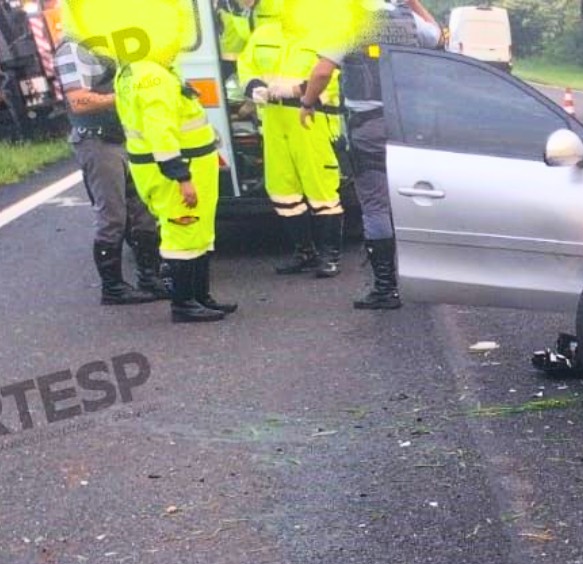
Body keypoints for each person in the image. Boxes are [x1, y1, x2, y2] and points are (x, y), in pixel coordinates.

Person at [296, 0, 441, 309]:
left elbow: (322, 71)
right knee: (415, 197)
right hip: (410, 126)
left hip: (369, 127)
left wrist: (307, 102)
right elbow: (440, 37)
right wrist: (414, 3)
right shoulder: (409, 21)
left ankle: (385, 289)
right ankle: (429, 279)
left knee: (376, 205)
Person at [112, 2, 237, 323]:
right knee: (182, 234)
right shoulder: (152, 77)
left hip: (188, 164)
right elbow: (161, 132)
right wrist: (180, 175)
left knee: (198, 233)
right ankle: (184, 303)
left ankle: (199, 296)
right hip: (176, 169)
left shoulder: (142, 69)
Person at [52, 35, 168, 305]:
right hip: (97, 139)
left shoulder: (111, 39)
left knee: (143, 211)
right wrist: (126, 96)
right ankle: (113, 287)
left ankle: (149, 277)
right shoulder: (74, 47)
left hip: (123, 137)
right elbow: (79, 101)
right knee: (113, 216)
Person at [241, 7, 345, 279]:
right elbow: (246, 64)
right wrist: (253, 86)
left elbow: (333, 77)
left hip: (311, 119)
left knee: (321, 190)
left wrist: (299, 90)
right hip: (273, 120)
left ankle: (329, 256)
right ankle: (304, 252)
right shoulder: (264, 33)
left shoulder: (325, 34)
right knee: (282, 189)